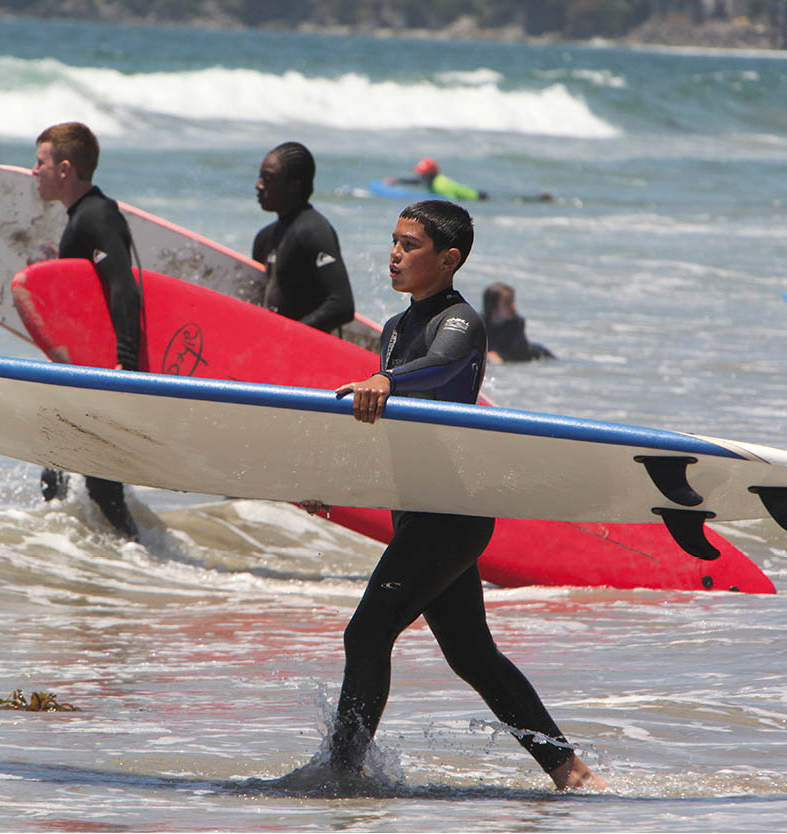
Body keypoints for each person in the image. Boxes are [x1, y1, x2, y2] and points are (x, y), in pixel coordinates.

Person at [310, 200, 605, 791]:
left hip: (452, 513)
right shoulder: (394, 330)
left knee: (366, 633)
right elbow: (391, 426)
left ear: (449, 260)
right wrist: (338, 485)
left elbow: (442, 367)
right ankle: (569, 771)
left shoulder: (461, 323)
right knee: (471, 655)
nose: (394, 254)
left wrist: (385, 379)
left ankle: (341, 775)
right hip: (417, 510)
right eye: (393, 241)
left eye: (410, 245)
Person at [31, 121, 141, 540]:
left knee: (96, 481)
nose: (33, 171)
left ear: (64, 169)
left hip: (107, 368)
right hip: (88, 367)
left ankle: (135, 555)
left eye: (39, 162)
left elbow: (123, 287)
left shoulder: (97, 215)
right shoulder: (83, 216)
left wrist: (125, 363)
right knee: (60, 472)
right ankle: (103, 551)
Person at [252, 142, 356, 334]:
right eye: (260, 176)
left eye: (268, 178)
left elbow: (342, 305)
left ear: (294, 186)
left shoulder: (314, 230)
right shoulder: (264, 238)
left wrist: (291, 335)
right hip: (277, 350)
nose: (259, 185)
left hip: (308, 352)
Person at [482, 282, 555, 363]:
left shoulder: (517, 324)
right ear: (493, 307)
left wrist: (497, 354)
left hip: (533, 352)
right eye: (507, 303)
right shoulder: (480, 324)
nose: (513, 306)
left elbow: (514, 353)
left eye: (513, 301)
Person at [386, 157, 489, 202]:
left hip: (477, 197)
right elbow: (416, 181)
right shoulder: (428, 180)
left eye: (424, 174)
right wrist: (397, 180)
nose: (421, 176)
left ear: (431, 174)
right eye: (421, 174)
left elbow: (452, 200)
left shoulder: (441, 184)